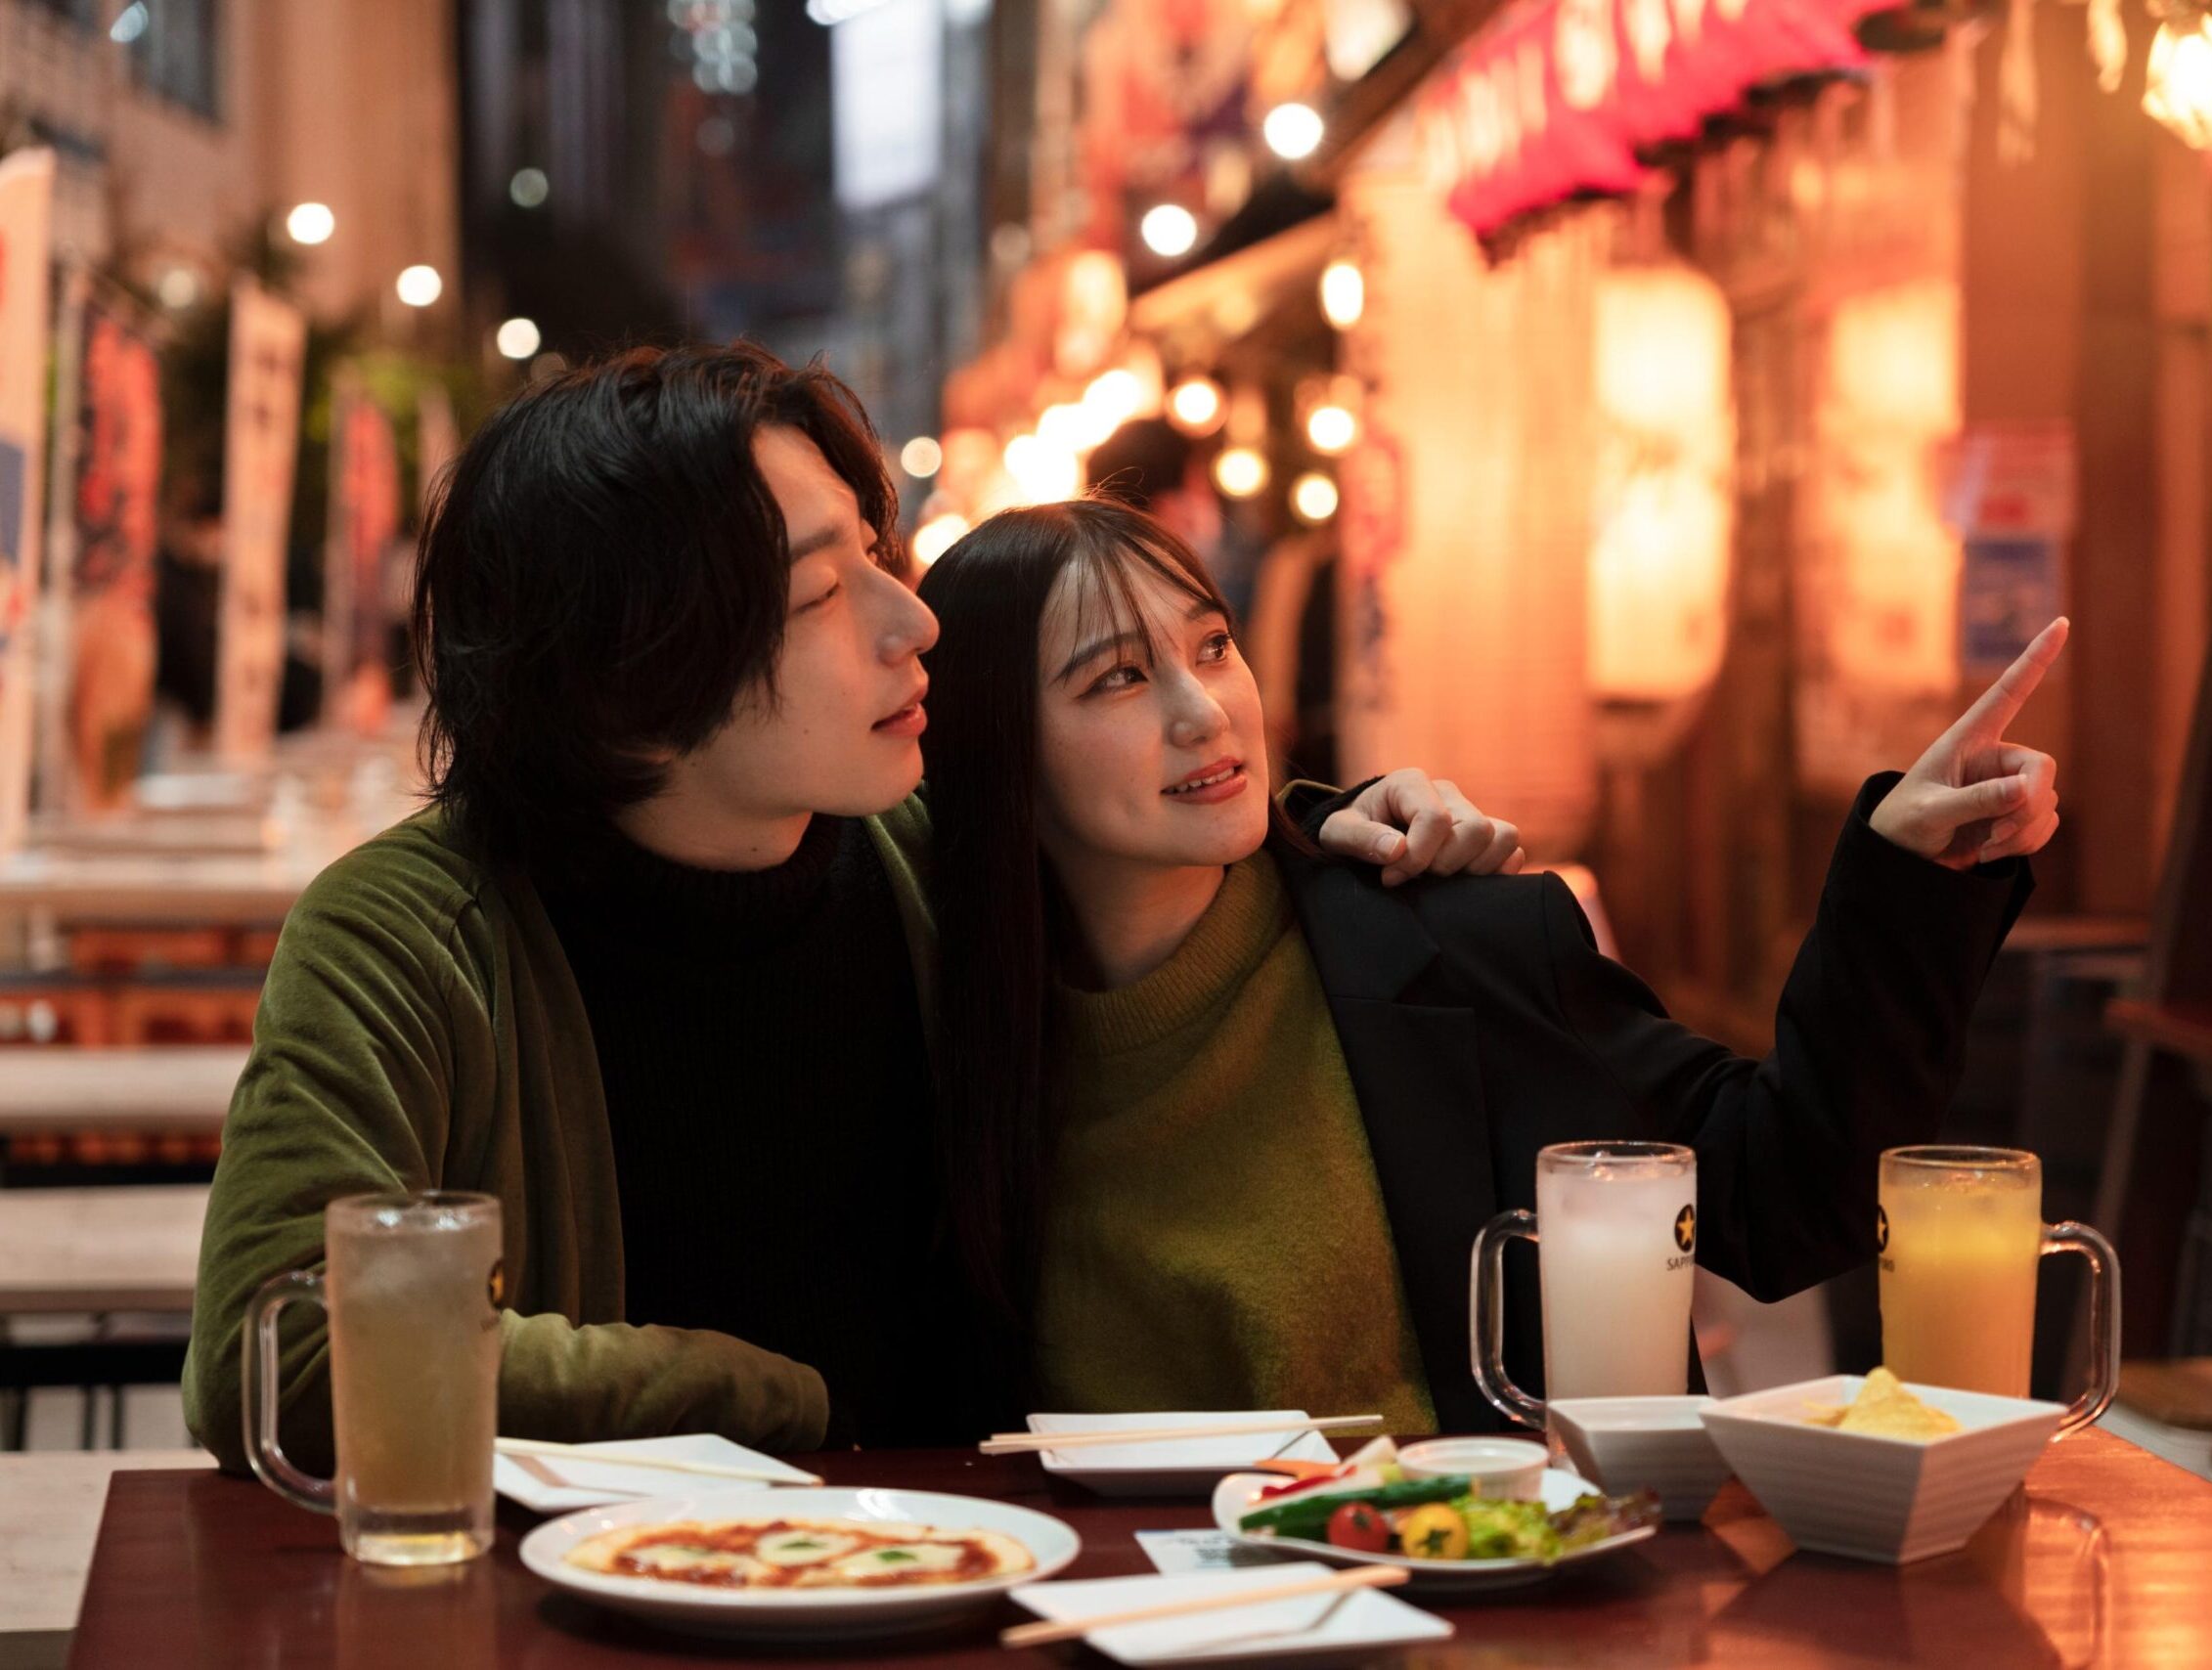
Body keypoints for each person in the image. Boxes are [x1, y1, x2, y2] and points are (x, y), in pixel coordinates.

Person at [181, 345, 1523, 1471]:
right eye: (824, 591)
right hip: (601, 1611)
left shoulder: (929, 853)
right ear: (629, 678)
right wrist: (778, 1404)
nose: (913, 620)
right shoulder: (411, 940)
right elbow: (281, 1353)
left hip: (972, 1584)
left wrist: (1320, 828)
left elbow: (1156, 805)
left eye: (877, 551)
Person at [914, 497, 2060, 1428]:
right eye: (1115, 677)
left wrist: (1906, 879)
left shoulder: (1447, 943)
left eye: (1213, 646)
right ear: (997, 751)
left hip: (1475, 1599)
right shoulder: (941, 1024)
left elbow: (1783, 1192)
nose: (1200, 710)